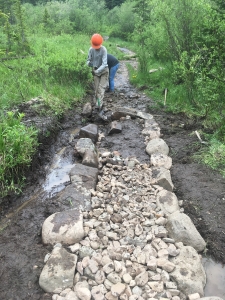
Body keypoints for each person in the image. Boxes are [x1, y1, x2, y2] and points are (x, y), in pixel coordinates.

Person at [86, 33, 109, 110]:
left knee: (101, 89)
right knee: (96, 90)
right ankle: (97, 103)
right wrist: (89, 64)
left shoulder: (104, 50)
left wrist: (97, 71)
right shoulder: (91, 49)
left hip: (104, 71)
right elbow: (88, 60)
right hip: (95, 71)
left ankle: (99, 106)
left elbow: (104, 63)